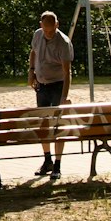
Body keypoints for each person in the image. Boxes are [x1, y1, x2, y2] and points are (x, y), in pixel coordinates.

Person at [28, 10, 76, 178]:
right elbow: (33, 52)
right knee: (43, 124)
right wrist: (31, 71)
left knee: (58, 124)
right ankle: (47, 159)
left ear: (57, 25)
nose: (48, 33)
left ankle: (57, 164)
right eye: (46, 29)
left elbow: (67, 71)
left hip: (57, 85)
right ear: (41, 26)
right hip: (41, 85)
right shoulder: (37, 35)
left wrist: (63, 96)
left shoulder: (63, 42)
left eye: (51, 30)